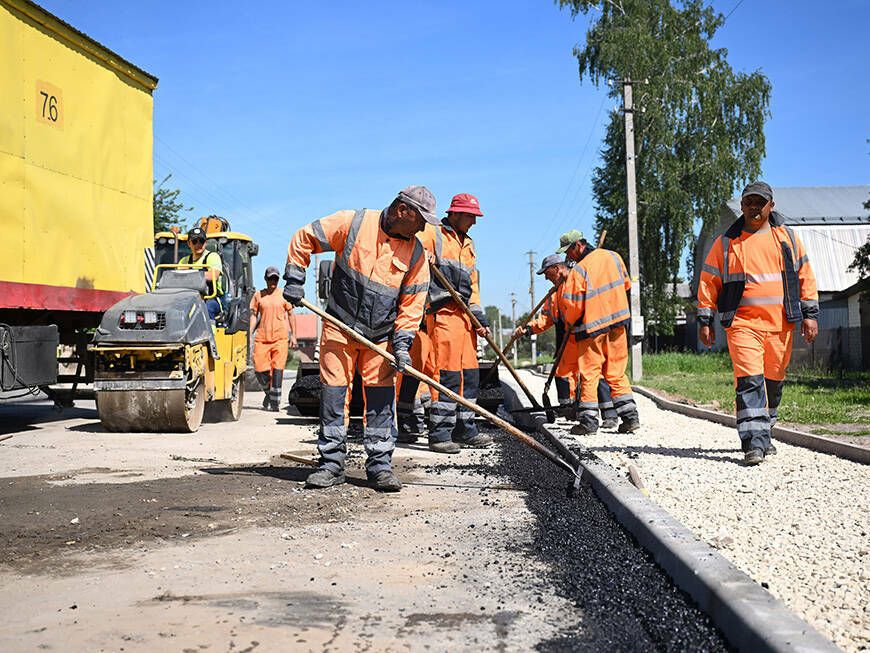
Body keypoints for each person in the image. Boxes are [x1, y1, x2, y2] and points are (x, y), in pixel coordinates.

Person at [283, 186, 435, 492]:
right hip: (339, 324)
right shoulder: (352, 224)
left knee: (380, 400)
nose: (422, 228)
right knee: (334, 395)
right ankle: (331, 464)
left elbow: (411, 306)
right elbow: (305, 237)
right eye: (420, 220)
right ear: (403, 210)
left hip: (380, 337)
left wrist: (403, 345)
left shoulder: (417, 255)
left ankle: (380, 466)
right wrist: (295, 279)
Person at [697, 181, 818, 465]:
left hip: (781, 326)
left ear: (770, 206)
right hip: (742, 325)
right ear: (742, 206)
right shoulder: (726, 243)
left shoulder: (787, 238)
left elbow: (806, 276)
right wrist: (705, 319)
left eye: (760, 202)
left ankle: (765, 431)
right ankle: (754, 443)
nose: (754, 207)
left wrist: (810, 315)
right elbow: (708, 283)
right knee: (750, 381)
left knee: (773, 384)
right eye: (749, 202)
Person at [415, 193, 492, 454]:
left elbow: (473, 286)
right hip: (443, 312)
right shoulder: (432, 232)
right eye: (470, 216)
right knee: (445, 375)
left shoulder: (468, 244)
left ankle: (465, 427)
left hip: (465, 319)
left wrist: (479, 319)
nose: (474, 222)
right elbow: (412, 249)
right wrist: (422, 257)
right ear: (455, 214)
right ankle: (439, 433)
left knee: (469, 376)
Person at [558, 230, 640, 435]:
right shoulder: (614, 257)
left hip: (592, 328)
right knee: (616, 372)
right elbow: (626, 284)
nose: (568, 256)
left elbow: (573, 307)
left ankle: (588, 422)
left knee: (590, 373)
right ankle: (630, 417)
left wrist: (568, 324)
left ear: (578, 245)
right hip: (619, 323)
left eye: (569, 251)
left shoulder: (579, 271)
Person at [250, 266, 297, 411]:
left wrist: (294, 335)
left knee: (277, 369)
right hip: (262, 338)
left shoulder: (284, 295)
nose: (273, 281)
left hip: (280, 338)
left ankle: (275, 404)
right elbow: (253, 315)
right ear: (265, 279)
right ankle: (269, 393)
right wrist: (250, 332)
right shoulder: (258, 295)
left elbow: (290, 315)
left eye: (275, 278)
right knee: (259, 369)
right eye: (270, 278)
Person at [179, 226, 223, 320]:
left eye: (201, 241)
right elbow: (177, 277)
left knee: (207, 308)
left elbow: (213, 275)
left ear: (206, 242)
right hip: (188, 298)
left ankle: (209, 333)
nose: (198, 244)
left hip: (210, 297)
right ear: (189, 244)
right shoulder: (184, 261)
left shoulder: (212, 257)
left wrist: (187, 275)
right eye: (194, 241)